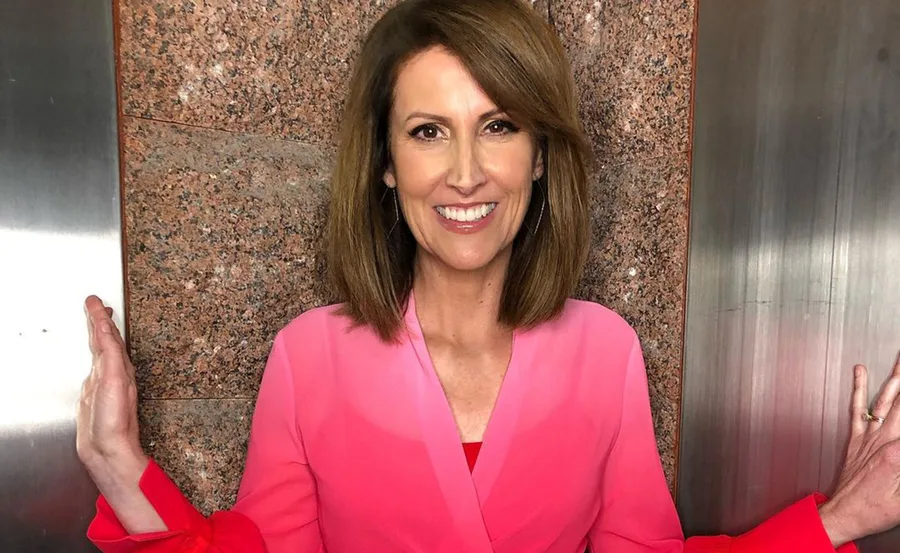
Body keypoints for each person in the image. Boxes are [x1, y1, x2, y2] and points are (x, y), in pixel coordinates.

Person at [76, 0, 900, 551]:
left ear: (539, 155)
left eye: (498, 125)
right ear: (387, 166)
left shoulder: (604, 351)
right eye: (430, 131)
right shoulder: (307, 357)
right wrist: (119, 461)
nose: (466, 172)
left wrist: (836, 520)